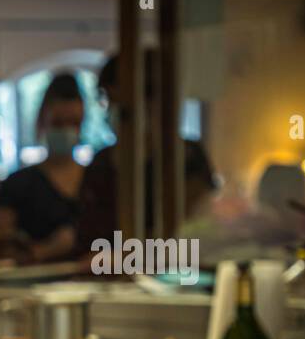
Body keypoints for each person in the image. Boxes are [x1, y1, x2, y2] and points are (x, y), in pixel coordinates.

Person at [75, 49, 217, 257]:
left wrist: (126, 255)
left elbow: (193, 231)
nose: (114, 112)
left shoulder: (186, 157)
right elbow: (88, 241)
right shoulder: (102, 163)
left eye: (121, 104)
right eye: (110, 102)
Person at [0, 72, 86, 261]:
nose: (67, 130)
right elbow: (1, 250)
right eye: (58, 123)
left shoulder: (98, 180)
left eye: (74, 123)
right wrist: (45, 250)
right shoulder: (18, 185)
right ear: (43, 122)